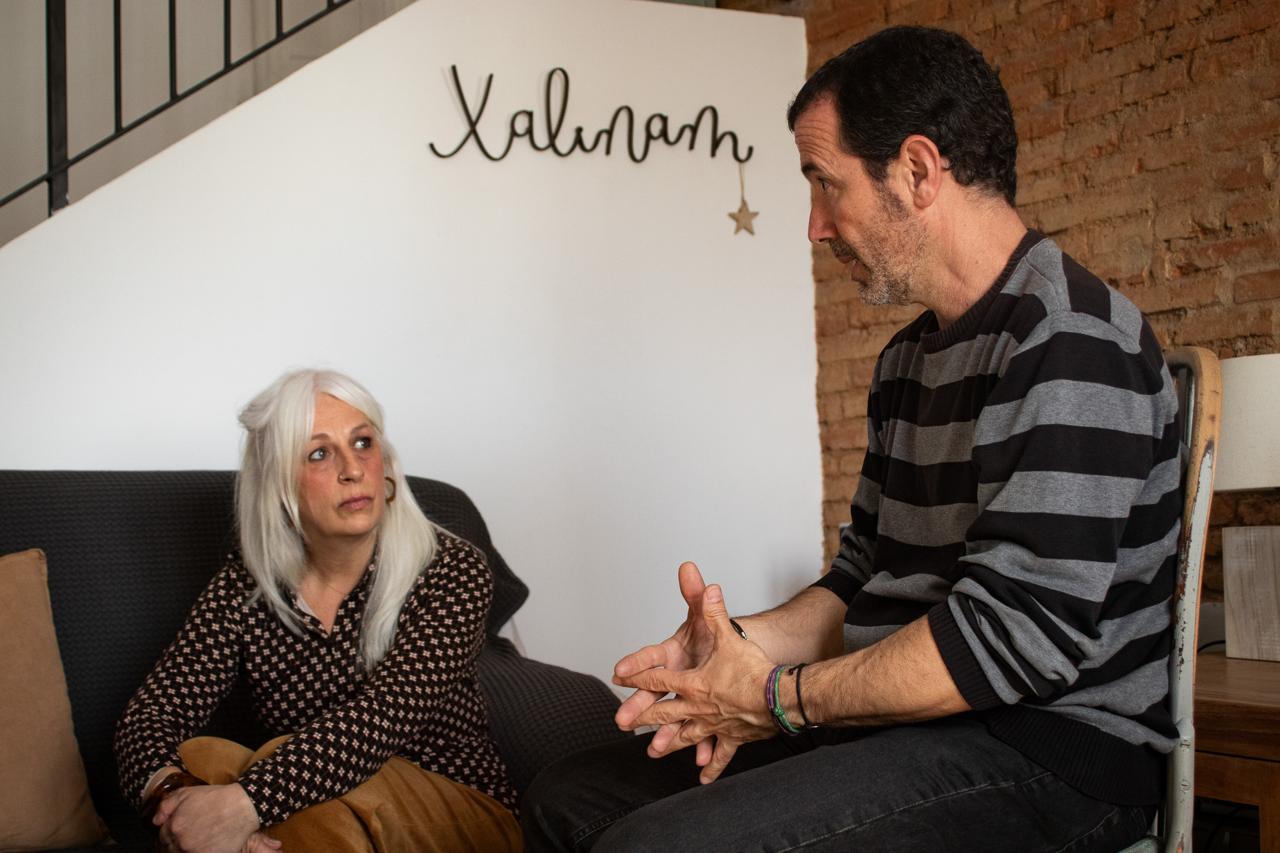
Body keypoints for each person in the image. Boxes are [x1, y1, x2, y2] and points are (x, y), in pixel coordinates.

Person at [521, 25, 1181, 853]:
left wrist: (776, 696)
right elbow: (864, 576)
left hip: (1052, 750)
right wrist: (736, 652)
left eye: (826, 185)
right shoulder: (908, 359)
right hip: (913, 724)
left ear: (917, 171)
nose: (815, 227)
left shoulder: (1070, 338)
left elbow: (1014, 643)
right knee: (565, 799)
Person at [115, 369, 521, 852]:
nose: (353, 469)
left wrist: (245, 805)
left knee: (287, 774)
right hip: (308, 804)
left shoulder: (452, 568)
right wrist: (175, 798)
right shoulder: (247, 587)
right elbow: (150, 715)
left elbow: (381, 718)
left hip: (458, 807)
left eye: (363, 443)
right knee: (200, 756)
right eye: (319, 454)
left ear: (386, 463)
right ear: (279, 486)